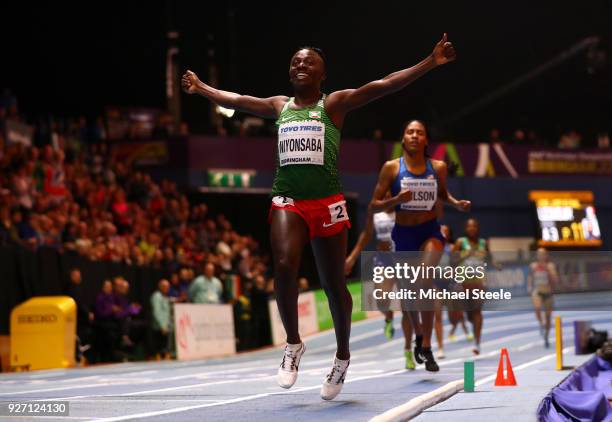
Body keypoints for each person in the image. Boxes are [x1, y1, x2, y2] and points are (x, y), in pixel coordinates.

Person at [182, 34, 456, 399]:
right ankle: (293, 344)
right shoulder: (280, 106)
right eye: (295, 61)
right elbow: (238, 101)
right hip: (289, 200)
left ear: (322, 73)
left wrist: (430, 62)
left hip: (327, 204)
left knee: (333, 287)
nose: (300, 65)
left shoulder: (335, 105)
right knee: (283, 263)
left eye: (308, 62)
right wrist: (202, 88)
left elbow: (386, 85)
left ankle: (342, 357)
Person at [369, 120, 470, 372]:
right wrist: (396, 200)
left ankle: (426, 344)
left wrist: (457, 204)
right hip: (403, 235)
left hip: (430, 232)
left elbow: (442, 195)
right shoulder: (391, 169)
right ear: (403, 138)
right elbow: (374, 205)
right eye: (410, 132)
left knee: (425, 280)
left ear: (426, 140)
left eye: (420, 133)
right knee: (411, 294)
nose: (414, 136)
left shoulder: (438, 167)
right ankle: (418, 337)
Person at [345, 192, 416, 370]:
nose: (387, 197)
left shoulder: (403, 211)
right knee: (382, 299)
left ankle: (408, 350)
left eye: (391, 193)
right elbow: (366, 235)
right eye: (384, 195)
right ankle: (388, 317)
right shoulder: (375, 212)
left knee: (408, 308)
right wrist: (352, 257)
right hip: (383, 260)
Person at [454, 218, 487, 355]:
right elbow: (453, 260)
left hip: (478, 283)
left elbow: (489, 258)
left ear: (477, 228)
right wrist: (464, 256)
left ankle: (477, 343)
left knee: (477, 312)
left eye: (474, 226)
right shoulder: (461, 242)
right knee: (469, 315)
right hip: (464, 283)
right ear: (466, 228)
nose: (472, 229)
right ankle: (473, 330)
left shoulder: (483, 243)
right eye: (469, 226)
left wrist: (496, 265)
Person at [528, 248, 558, 348]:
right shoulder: (533, 266)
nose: (541, 256)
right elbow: (530, 277)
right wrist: (529, 287)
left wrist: (547, 270)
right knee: (537, 309)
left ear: (546, 256)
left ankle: (546, 336)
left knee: (548, 317)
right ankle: (541, 324)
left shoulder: (550, 266)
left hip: (548, 292)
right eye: (539, 254)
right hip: (537, 291)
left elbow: (555, 280)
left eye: (543, 254)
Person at [151, 279, 173, 358]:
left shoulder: (166, 297)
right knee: (159, 349)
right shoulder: (157, 296)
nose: (166, 288)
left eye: (167, 286)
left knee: (166, 348)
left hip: (166, 326)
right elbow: (156, 312)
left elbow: (167, 313)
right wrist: (162, 325)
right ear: (160, 287)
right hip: (159, 327)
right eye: (164, 286)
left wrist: (169, 324)